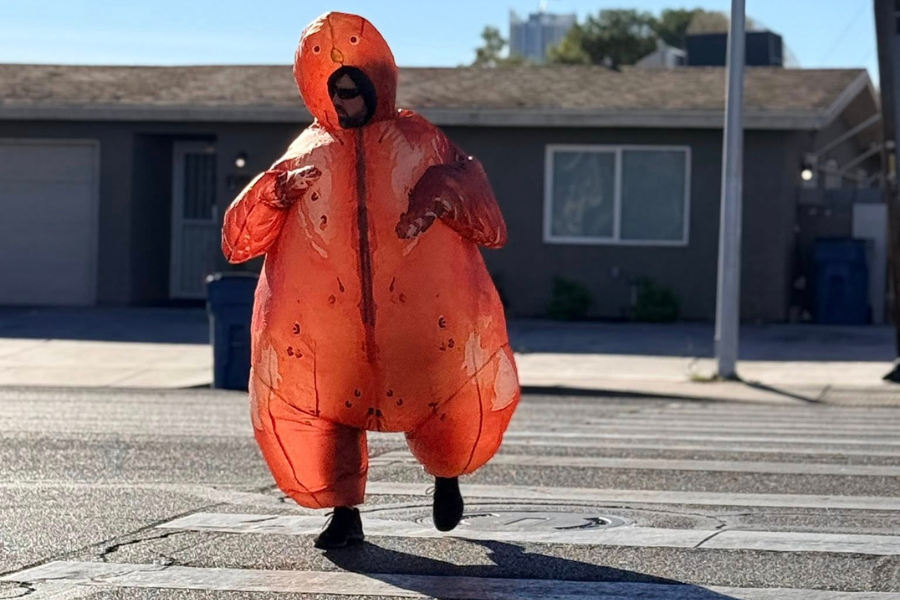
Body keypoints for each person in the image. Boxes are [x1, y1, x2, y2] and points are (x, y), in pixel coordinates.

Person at [221, 11, 520, 550]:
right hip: (331, 326)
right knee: (330, 413)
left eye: (353, 90)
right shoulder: (307, 151)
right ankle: (344, 513)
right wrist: (274, 195)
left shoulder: (419, 139)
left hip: (420, 317)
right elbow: (239, 238)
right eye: (335, 93)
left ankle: (446, 478)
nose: (344, 103)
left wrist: (445, 190)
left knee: (444, 401)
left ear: (373, 85)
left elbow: (487, 218)